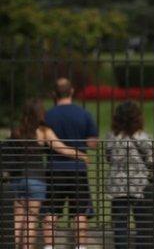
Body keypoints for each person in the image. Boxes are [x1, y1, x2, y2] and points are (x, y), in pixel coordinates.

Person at [4, 99, 88, 249]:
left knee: (17, 219)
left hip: (16, 179)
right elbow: (61, 148)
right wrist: (82, 155)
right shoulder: (43, 131)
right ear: (40, 113)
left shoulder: (16, 131)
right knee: (30, 221)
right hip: (36, 180)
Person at [42, 78, 98, 249]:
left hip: (54, 167)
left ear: (54, 94)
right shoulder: (84, 113)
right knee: (80, 211)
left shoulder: (47, 115)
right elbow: (92, 143)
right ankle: (81, 246)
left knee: (51, 210)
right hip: (78, 167)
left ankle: (49, 246)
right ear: (72, 91)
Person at [105, 101, 154, 249]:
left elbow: (108, 158)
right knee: (142, 225)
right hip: (140, 185)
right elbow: (153, 160)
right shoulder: (143, 136)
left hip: (118, 186)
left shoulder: (112, 136)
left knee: (120, 225)